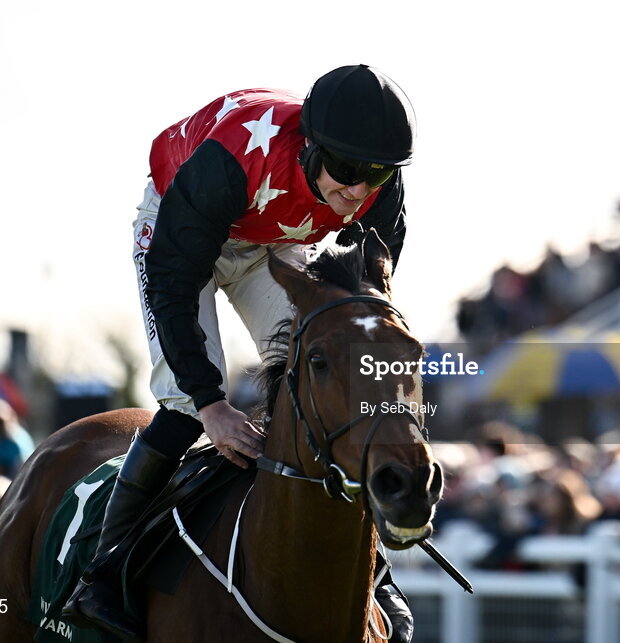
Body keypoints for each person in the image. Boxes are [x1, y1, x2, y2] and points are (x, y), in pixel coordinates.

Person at [63, 64, 416, 641]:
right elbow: (174, 283)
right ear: (311, 146)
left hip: (273, 242)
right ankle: (104, 571)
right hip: (180, 228)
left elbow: (361, 305)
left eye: (375, 174)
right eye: (346, 170)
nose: (356, 189)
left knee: (331, 379)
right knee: (181, 407)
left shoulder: (379, 191)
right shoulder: (229, 162)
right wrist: (210, 404)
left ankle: (373, 571)